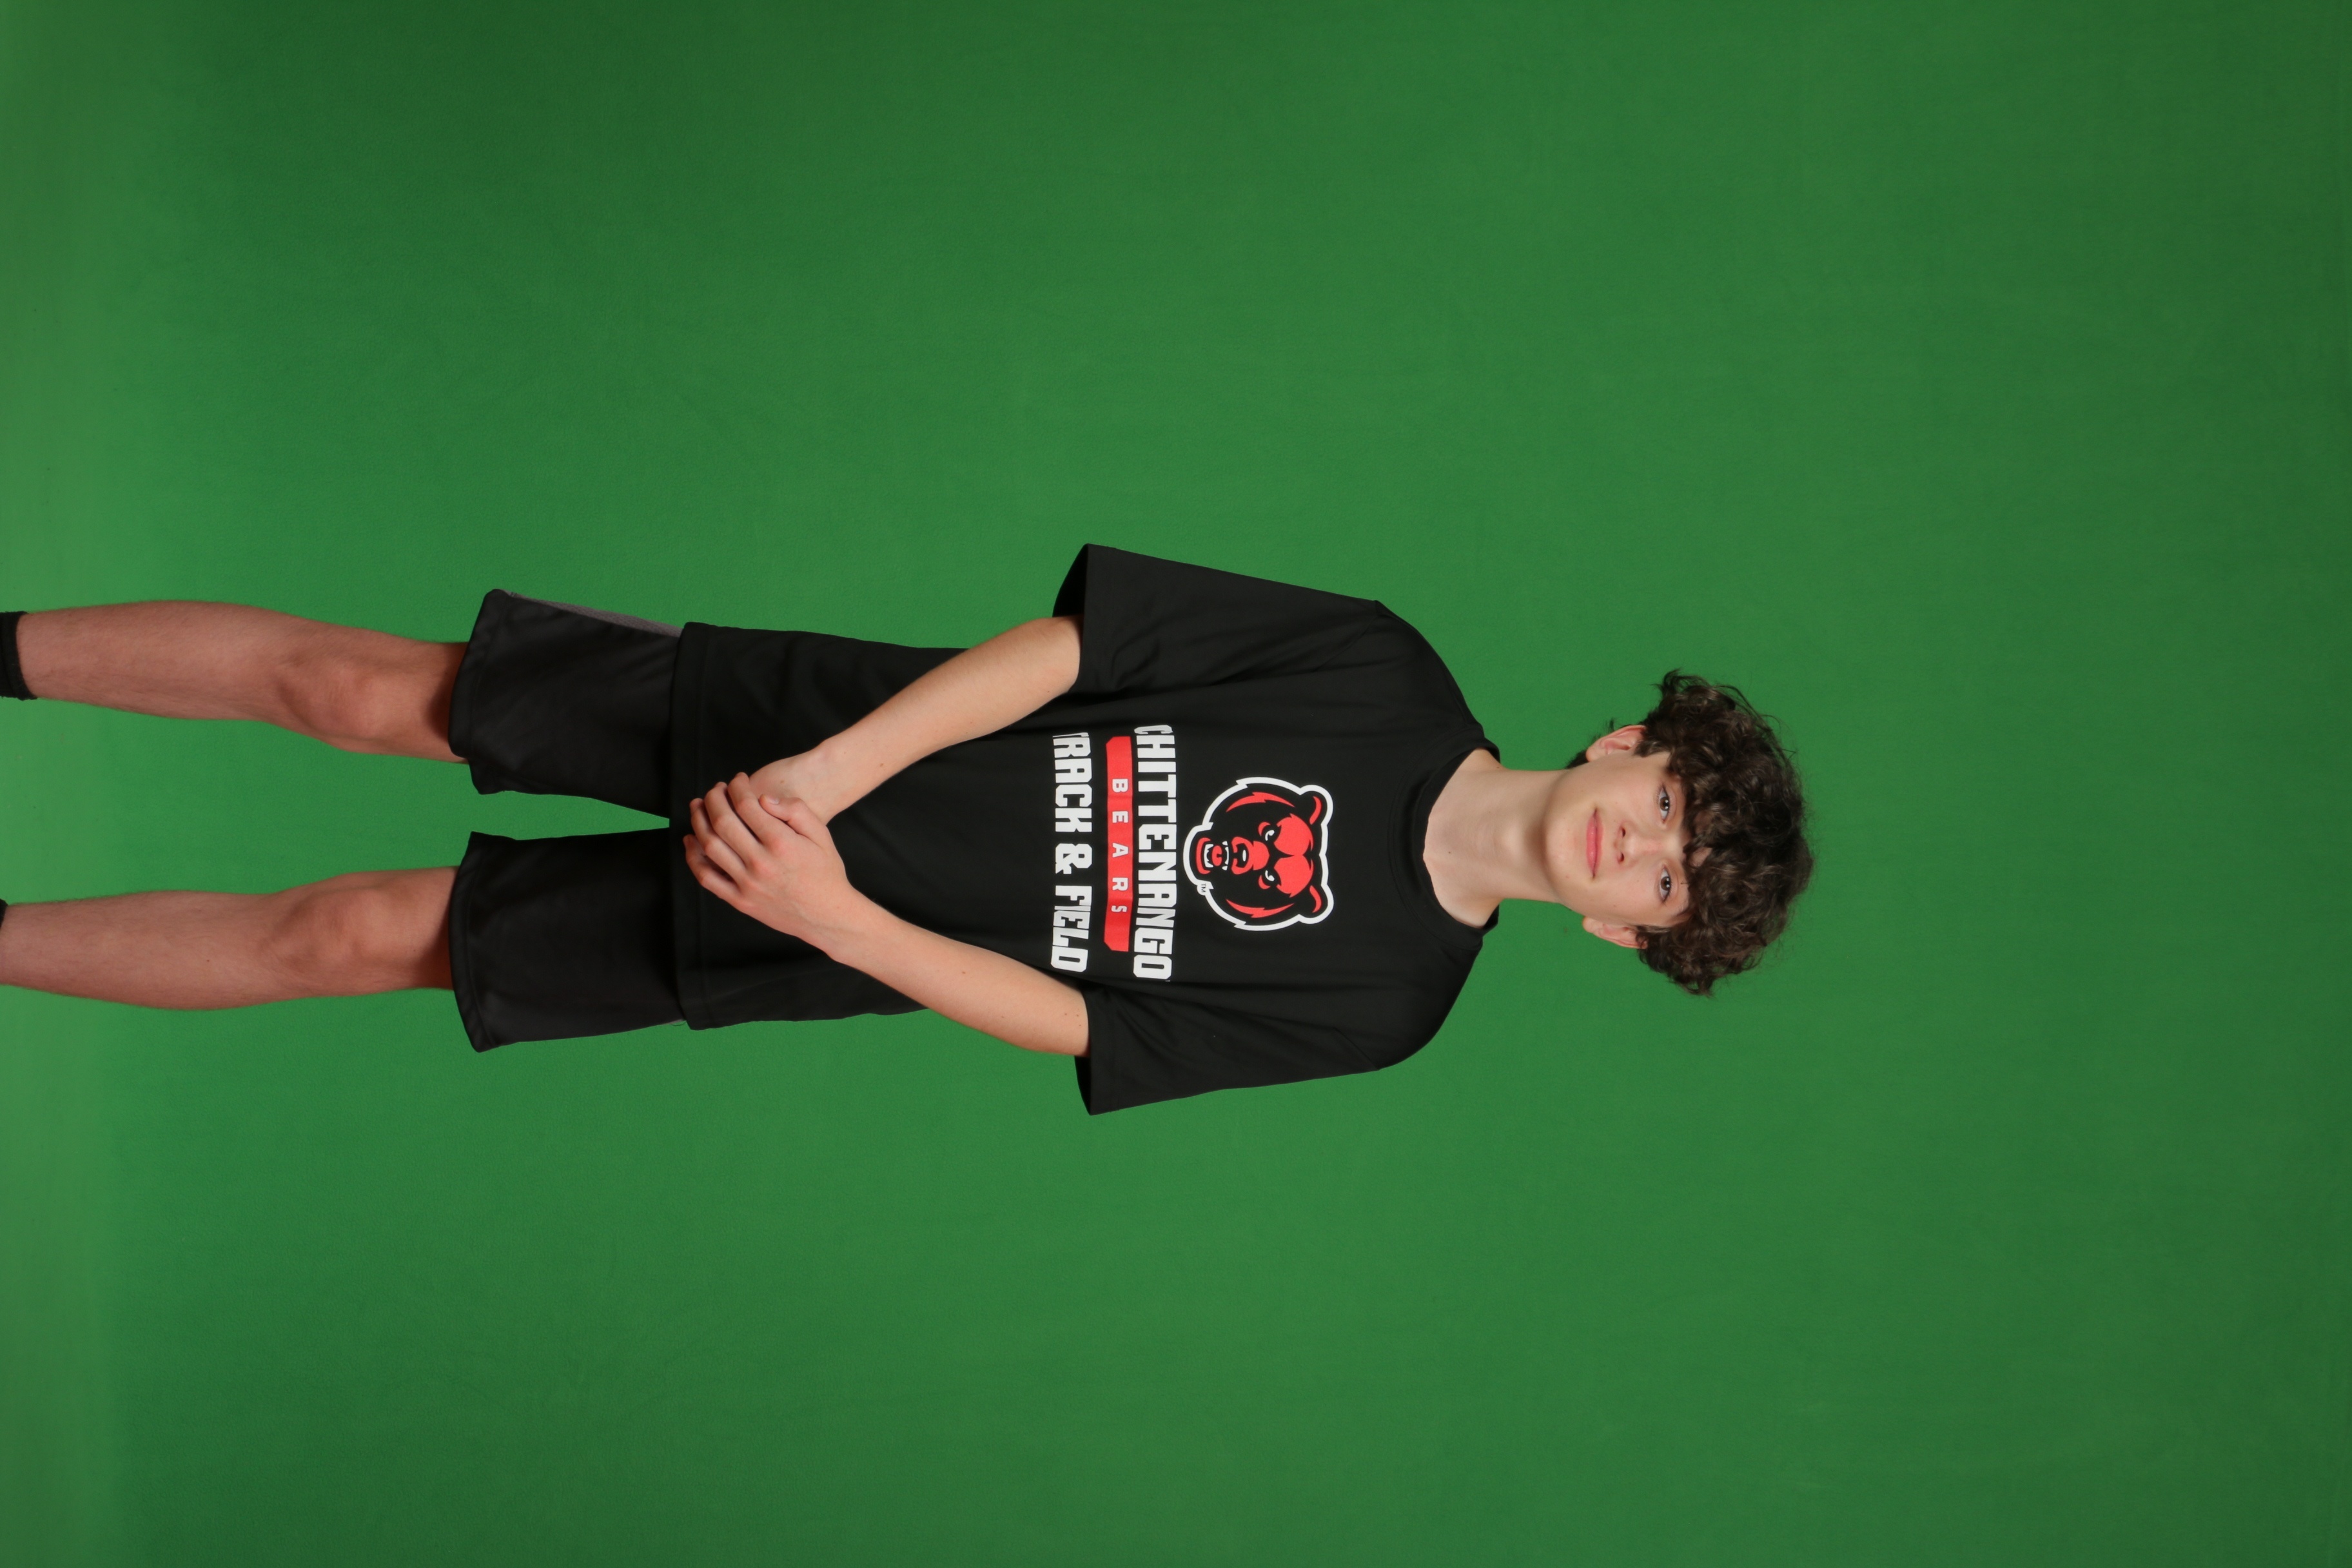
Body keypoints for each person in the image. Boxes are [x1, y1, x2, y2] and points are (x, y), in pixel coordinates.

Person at [0, 546, 1811, 1113]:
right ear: (1626, 746)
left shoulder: (1388, 1006)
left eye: (1668, 887)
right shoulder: (1379, 670)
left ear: (1623, 933)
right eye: (1667, 808)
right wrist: (830, 778)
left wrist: (832, 913)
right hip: (805, 734)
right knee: (359, 688)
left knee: (344, 939)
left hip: (798, 931)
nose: (1638, 851)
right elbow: (1078, 650)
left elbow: (1088, 1023)